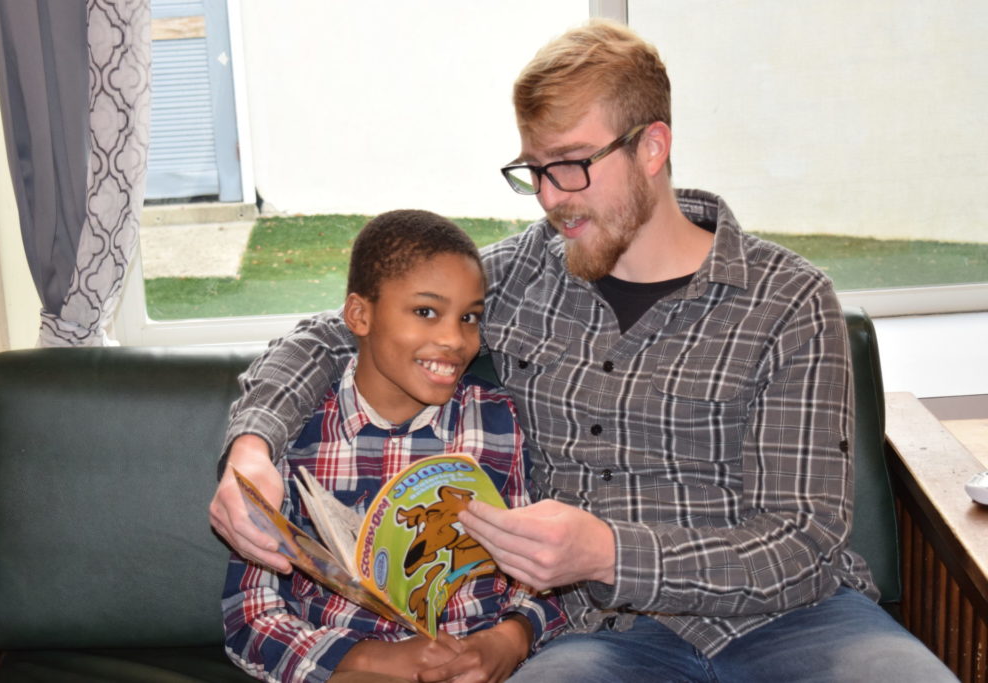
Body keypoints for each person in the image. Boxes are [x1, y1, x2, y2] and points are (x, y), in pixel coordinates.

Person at [211, 20, 956, 683]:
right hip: (602, 636)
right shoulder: (519, 276)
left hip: (801, 623)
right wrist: (251, 446)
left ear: (653, 147)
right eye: (534, 169)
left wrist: (606, 552)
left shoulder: (789, 301)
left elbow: (802, 539)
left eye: (570, 164)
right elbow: (329, 332)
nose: (550, 197)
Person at [221, 209, 565, 683]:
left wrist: (510, 638)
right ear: (360, 315)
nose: (454, 339)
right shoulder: (292, 436)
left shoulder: (502, 422)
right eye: (426, 312)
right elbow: (252, 612)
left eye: (469, 318)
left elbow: (552, 578)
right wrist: (368, 660)